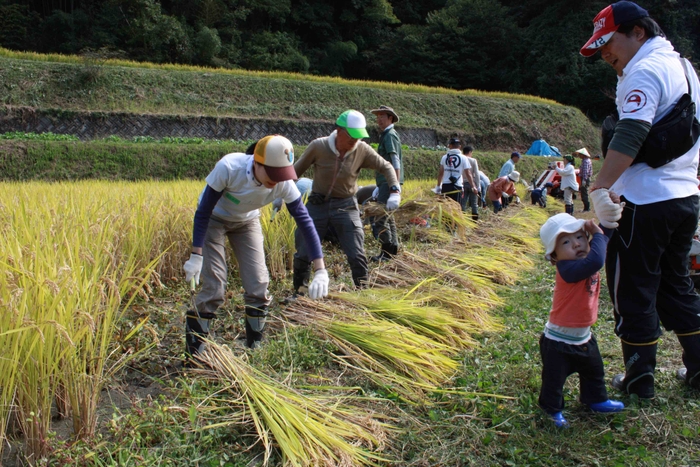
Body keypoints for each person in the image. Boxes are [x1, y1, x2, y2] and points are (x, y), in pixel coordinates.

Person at [581, 1, 700, 396]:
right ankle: (698, 369)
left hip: (644, 202)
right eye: (599, 48)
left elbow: (630, 135)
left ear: (638, 32)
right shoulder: (684, 67)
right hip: (684, 198)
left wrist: (598, 188)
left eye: (608, 42)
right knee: (676, 285)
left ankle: (639, 378)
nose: (605, 54)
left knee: (633, 289)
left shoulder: (644, 70)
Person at [182, 135, 329, 355]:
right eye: (272, 173)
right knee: (215, 285)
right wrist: (196, 254)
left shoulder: (283, 184)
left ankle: (254, 346)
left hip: (246, 221)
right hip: (214, 219)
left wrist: (320, 269)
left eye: (282, 174)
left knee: (259, 282)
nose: (277, 181)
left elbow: (305, 221)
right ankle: (194, 353)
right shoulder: (230, 167)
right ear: (256, 162)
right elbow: (203, 212)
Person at [293, 110, 401, 291]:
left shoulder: (361, 149)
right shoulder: (318, 146)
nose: (355, 141)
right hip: (317, 204)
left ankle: (363, 290)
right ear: (339, 131)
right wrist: (282, 194)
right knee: (303, 250)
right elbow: (294, 172)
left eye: (359, 137)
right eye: (352, 136)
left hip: (346, 206)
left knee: (356, 251)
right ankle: (300, 291)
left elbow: (387, 166)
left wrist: (395, 190)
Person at [539, 214, 624, 427]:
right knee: (554, 381)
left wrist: (608, 216)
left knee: (594, 373)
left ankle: (595, 399)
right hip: (558, 343)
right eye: (566, 242)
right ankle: (551, 409)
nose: (576, 243)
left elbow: (603, 240)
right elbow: (598, 256)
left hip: (584, 338)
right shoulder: (567, 270)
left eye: (580, 237)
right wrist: (596, 233)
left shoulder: (585, 261)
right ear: (555, 257)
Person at [370, 105, 403, 262]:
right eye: (378, 116)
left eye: (382, 116)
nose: (379, 119)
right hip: (385, 183)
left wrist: (393, 186)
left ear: (390, 117)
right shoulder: (386, 135)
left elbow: (395, 160)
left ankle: (386, 251)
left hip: (388, 182)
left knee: (380, 217)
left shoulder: (390, 135)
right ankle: (393, 250)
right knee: (388, 217)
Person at [436, 138, 478, 206]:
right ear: (460, 147)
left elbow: (441, 173)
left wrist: (438, 186)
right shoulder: (463, 158)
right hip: (457, 187)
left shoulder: (444, 157)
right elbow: (468, 174)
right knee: (456, 208)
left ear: (450, 146)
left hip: (446, 186)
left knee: (445, 207)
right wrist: (473, 187)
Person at [462, 145, 481, 220]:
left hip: (463, 184)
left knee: (463, 203)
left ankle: (462, 218)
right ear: (470, 152)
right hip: (472, 184)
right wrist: (478, 185)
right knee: (474, 203)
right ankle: (475, 220)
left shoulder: (461, 159)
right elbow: (477, 173)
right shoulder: (473, 160)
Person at [574, 148, 593, 212]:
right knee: (583, 193)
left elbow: (585, 171)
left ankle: (586, 208)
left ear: (583, 155)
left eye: (580, 154)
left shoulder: (585, 161)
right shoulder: (587, 160)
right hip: (586, 178)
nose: (579, 156)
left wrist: (584, 180)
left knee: (584, 193)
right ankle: (586, 207)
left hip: (585, 178)